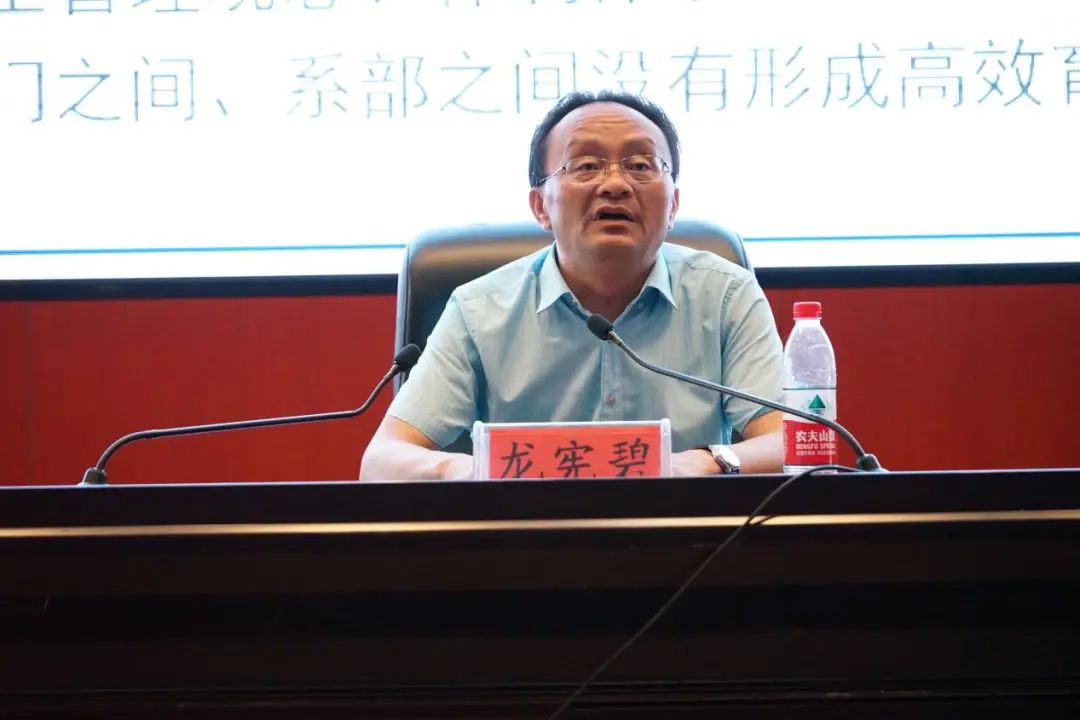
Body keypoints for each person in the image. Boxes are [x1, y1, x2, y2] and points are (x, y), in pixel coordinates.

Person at [360, 90, 783, 481]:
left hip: (689, 533)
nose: (615, 184)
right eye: (585, 166)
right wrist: (483, 470)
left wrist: (703, 462)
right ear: (540, 206)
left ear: (673, 204)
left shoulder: (726, 296)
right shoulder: (479, 310)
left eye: (640, 165)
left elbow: (790, 442)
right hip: (530, 534)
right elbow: (382, 461)